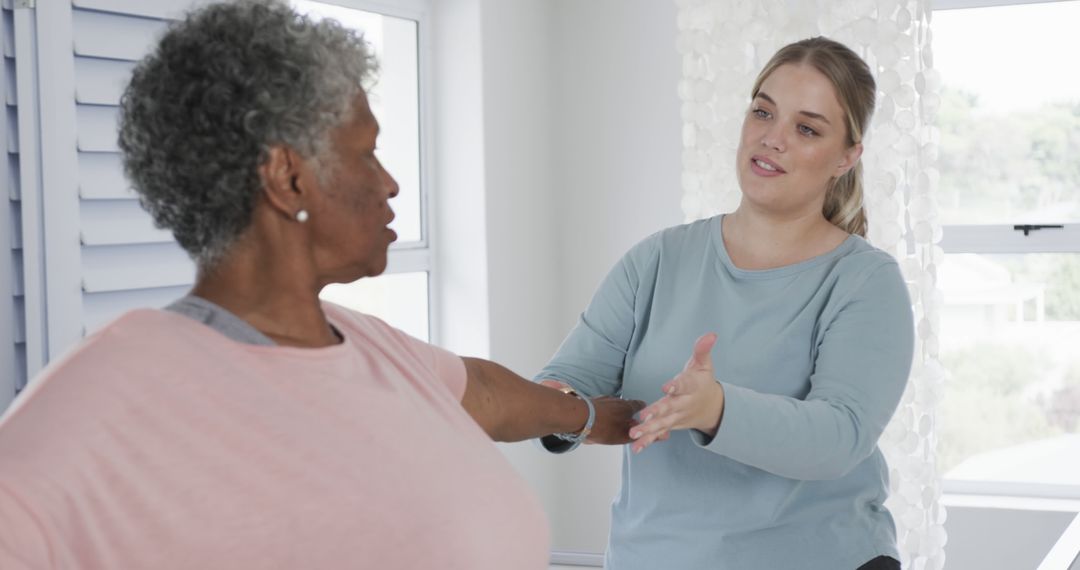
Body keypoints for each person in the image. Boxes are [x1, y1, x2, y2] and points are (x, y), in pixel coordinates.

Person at [0, 1, 644, 568]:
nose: (390, 182)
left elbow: (483, 395)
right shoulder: (99, 408)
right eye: (366, 152)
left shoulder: (365, 346)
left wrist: (596, 416)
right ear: (287, 177)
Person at [537, 37, 914, 570]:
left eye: (806, 128)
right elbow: (569, 379)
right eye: (763, 111)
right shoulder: (658, 259)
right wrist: (545, 407)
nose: (772, 138)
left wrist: (716, 408)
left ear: (847, 157)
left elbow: (840, 437)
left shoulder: (865, 282)